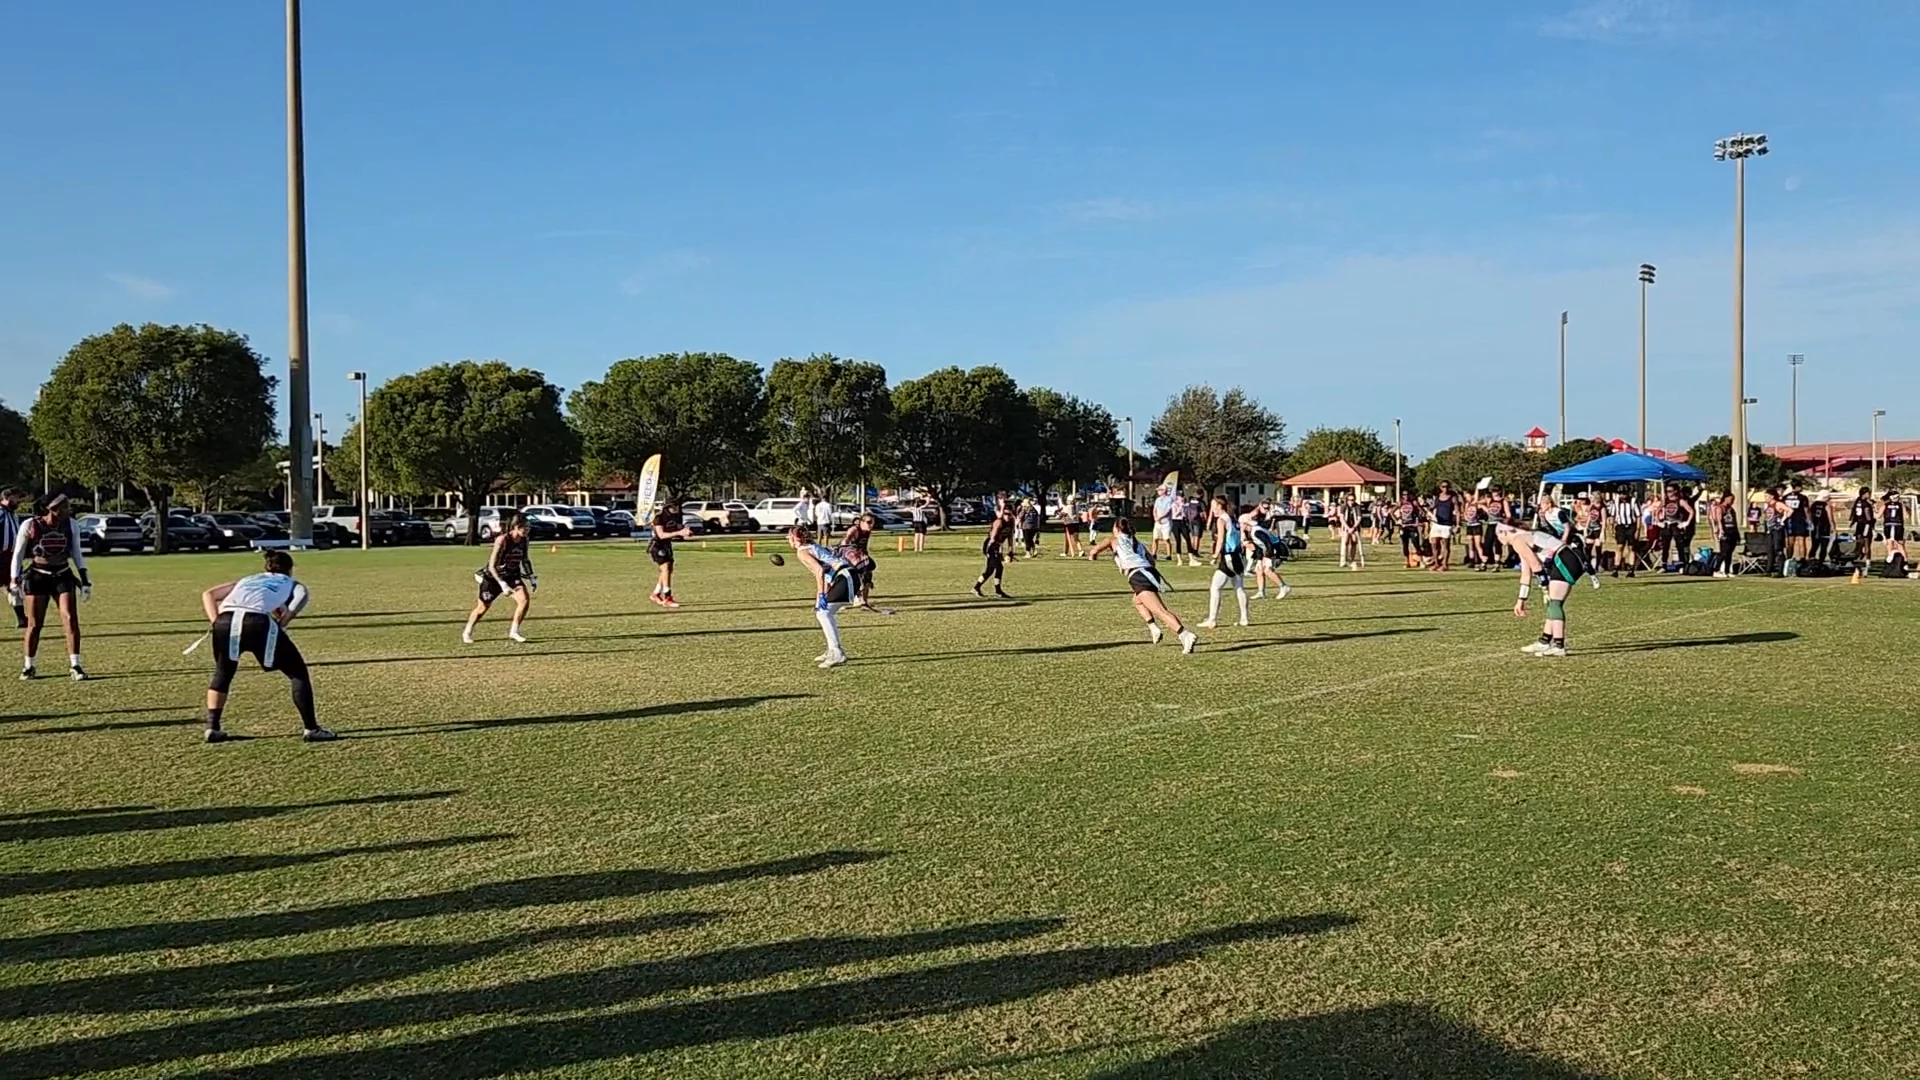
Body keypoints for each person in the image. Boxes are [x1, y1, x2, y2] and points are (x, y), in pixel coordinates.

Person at [199, 550, 335, 743]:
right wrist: (282, 624)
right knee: (297, 673)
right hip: (257, 621)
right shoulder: (292, 583)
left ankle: (212, 727)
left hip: (225, 620)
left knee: (223, 672)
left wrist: (216, 622)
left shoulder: (247, 580)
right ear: (290, 569)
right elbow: (300, 598)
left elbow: (209, 594)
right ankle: (311, 729)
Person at [1087, 518, 1198, 654]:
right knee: (1137, 601)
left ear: (1117, 529)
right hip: (1149, 572)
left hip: (1138, 575)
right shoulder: (1137, 542)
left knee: (1160, 611)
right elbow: (1151, 561)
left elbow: (1094, 551)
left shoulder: (1113, 539)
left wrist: (1093, 557)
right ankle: (1154, 629)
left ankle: (1185, 634)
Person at [11, 494, 90, 680]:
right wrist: (14, 580)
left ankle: (75, 665)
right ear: (52, 509)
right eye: (65, 506)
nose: (69, 509)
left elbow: (77, 553)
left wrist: (85, 579)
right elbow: (18, 554)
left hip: (62, 575)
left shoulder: (71, 525)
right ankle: (29, 666)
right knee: (34, 624)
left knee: (70, 618)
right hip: (38, 576)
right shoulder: (30, 525)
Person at [1504, 494, 1592, 659]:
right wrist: (1521, 600)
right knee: (1553, 604)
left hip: (1564, 560)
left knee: (1555, 603)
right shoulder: (1521, 541)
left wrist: (1544, 588)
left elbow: (1537, 567)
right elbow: (1526, 573)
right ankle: (1545, 641)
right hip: (1566, 560)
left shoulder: (1517, 540)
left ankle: (1559, 645)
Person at [463, 511, 536, 643]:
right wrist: (502, 584)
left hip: (512, 575)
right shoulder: (502, 540)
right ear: (516, 526)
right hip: (493, 577)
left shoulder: (524, 540)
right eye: (525, 527)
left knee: (524, 600)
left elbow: (525, 559)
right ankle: (467, 631)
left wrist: (531, 576)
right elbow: (492, 566)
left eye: (528, 527)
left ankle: (514, 631)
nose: (527, 530)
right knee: (482, 608)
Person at [789, 525, 856, 668]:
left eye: (790, 537)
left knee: (824, 614)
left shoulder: (802, 552)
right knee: (822, 613)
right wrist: (820, 598)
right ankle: (832, 649)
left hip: (845, 577)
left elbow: (819, 571)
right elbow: (826, 574)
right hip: (845, 576)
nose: (788, 539)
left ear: (795, 538)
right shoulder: (811, 546)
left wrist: (821, 594)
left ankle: (836, 652)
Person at [1198, 496, 1253, 630]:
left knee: (1215, 587)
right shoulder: (1232, 518)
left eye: (1213, 506)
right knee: (1239, 587)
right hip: (1238, 557)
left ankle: (1212, 620)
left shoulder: (1221, 520)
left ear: (1219, 506)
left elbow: (1221, 539)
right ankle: (1244, 618)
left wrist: (1215, 555)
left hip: (1228, 557)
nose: (1212, 509)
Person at [646, 501, 695, 607]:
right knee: (665, 568)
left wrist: (687, 532)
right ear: (668, 507)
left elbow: (680, 528)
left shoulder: (675, 517)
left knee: (668, 570)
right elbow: (661, 535)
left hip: (667, 546)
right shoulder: (659, 518)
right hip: (657, 546)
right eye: (674, 506)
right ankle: (667, 598)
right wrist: (678, 533)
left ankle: (656, 593)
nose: (676, 508)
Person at [1242, 501, 1294, 600]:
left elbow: (1268, 544)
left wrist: (1267, 557)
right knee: (1258, 569)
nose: (1241, 526)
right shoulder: (1252, 532)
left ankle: (1284, 587)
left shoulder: (1256, 532)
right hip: (1271, 550)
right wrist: (1259, 559)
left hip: (1278, 550)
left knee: (1267, 570)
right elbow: (1259, 547)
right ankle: (1261, 592)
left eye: (1243, 524)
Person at [972, 502, 1015, 598]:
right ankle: (998, 590)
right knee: (999, 567)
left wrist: (1010, 551)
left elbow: (1010, 537)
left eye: (1009, 514)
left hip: (997, 545)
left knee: (989, 570)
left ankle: (976, 587)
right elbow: (992, 538)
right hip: (990, 545)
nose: (1007, 516)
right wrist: (990, 550)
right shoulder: (999, 522)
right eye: (1006, 514)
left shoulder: (1011, 521)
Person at [0, 488, 26, 629]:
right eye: (16, 498)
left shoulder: (13, 516)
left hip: (11, 557)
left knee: (14, 586)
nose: (19, 502)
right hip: (1, 556)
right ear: (7, 497)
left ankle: (21, 618)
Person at [1608, 490, 1640, 578]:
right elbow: (1612, 515)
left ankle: (1631, 569)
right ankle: (1616, 569)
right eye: (1621, 494)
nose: (1623, 496)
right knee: (1619, 546)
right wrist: (1611, 528)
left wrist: (1637, 529)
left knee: (1631, 547)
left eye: (1624, 493)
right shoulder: (1615, 502)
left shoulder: (1633, 501)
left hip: (1631, 526)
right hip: (1621, 526)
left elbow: (1638, 516)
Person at [1781, 482, 1812, 571]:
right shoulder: (1803, 497)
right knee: (1801, 541)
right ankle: (1802, 560)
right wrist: (1809, 521)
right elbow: (1806, 510)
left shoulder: (1785, 497)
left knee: (1790, 541)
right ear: (1796, 487)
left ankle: (1788, 558)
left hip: (1788, 520)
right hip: (1800, 520)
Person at [1428, 481, 1457, 570]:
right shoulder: (1437, 498)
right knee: (1434, 543)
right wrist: (1429, 514)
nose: (1445, 488)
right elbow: (1432, 507)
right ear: (1440, 487)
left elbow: (1458, 511)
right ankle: (1436, 563)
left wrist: (1458, 525)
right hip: (1437, 523)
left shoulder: (1452, 498)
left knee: (1446, 545)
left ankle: (1445, 564)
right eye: (1443, 486)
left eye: (1447, 486)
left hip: (1447, 524)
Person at [1711, 492, 1741, 577]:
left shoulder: (1731, 509)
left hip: (1732, 531)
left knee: (1729, 553)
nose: (1732, 501)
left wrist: (1737, 533)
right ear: (1726, 498)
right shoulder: (1720, 508)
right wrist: (1721, 530)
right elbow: (1719, 520)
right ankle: (1716, 570)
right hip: (1725, 531)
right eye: (1731, 499)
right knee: (1724, 552)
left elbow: (1735, 522)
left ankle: (1727, 571)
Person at [1850, 488, 1877, 566]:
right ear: (1864, 494)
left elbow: (1853, 513)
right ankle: (1868, 561)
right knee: (1867, 543)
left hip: (1858, 524)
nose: (1869, 495)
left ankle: (1858, 556)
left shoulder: (1857, 502)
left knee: (1859, 542)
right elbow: (1868, 515)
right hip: (1866, 524)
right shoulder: (1866, 504)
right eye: (1868, 493)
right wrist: (1872, 524)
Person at [1883, 488, 1907, 567]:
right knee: (1900, 545)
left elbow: (1878, 515)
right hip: (1898, 526)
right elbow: (1906, 516)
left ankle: (1891, 559)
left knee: (1890, 543)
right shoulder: (1900, 505)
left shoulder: (1886, 505)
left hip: (1889, 525)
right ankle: (1905, 563)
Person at [1151, 486, 1175, 560]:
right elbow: (1154, 509)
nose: (1158, 491)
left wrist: (1160, 517)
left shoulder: (1169, 499)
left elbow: (1168, 511)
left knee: (1166, 539)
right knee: (1155, 538)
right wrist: (1155, 517)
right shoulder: (1158, 499)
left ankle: (1169, 555)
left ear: (1164, 491)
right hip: (1157, 522)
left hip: (1166, 522)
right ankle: (1154, 554)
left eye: (1159, 490)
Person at [1809, 492, 1834, 564]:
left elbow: (1810, 515)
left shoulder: (1813, 504)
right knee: (1824, 545)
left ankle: (1811, 558)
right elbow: (1830, 518)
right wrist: (1833, 527)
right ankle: (1821, 560)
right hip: (1824, 527)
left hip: (1815, 526)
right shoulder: (1826, 506)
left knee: (1814, 544)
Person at [1059, 492, 1084, 558]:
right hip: (1076, 523)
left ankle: (1066, 552)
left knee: (1067, 539)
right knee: (1076, 539)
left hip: (1069, 524)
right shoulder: (1076, 506)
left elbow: (1062, 514)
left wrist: (1059, 513)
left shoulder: (1067, 507)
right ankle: (1081, 550)